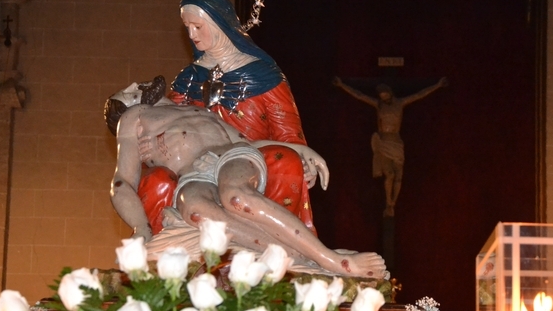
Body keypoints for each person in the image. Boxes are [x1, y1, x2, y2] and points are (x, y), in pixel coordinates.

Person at [105, 83, 386, 278]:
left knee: (236, 197)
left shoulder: (200, 110)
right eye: (128, 92)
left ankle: (332, 260)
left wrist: (300, 149)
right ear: (127, 107)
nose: (135, 84)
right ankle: (301, 257)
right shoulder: (135, 117)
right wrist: (141, 227)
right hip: (193, 175)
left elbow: (247, 142)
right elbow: (122, 182)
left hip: (231, 156)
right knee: (196, 212)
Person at [167, 0, 316, 232]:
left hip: (254, 159)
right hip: (198, 162)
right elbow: (169, 125)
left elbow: (288, 133)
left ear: (218, 23)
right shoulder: (188, 78)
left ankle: (279, 240)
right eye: (187, 27)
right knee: (158, 179)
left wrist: (303, 159)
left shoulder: (263, 76)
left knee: (286, 161)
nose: (192, 34)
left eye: (198, 26)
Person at [332, 76, 448, 216]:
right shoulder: (378, 105)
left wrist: (437, 85)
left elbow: (419, 95)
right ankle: (388, 202)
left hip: (396, 141)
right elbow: (359, 95)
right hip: (384, 141)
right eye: (381, 96)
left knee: (398, 176)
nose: (383, 97)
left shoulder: (400, 103)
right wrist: (342, 85)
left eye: (385, 94)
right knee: (390, 175)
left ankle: (393, 203)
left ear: (390, 93)